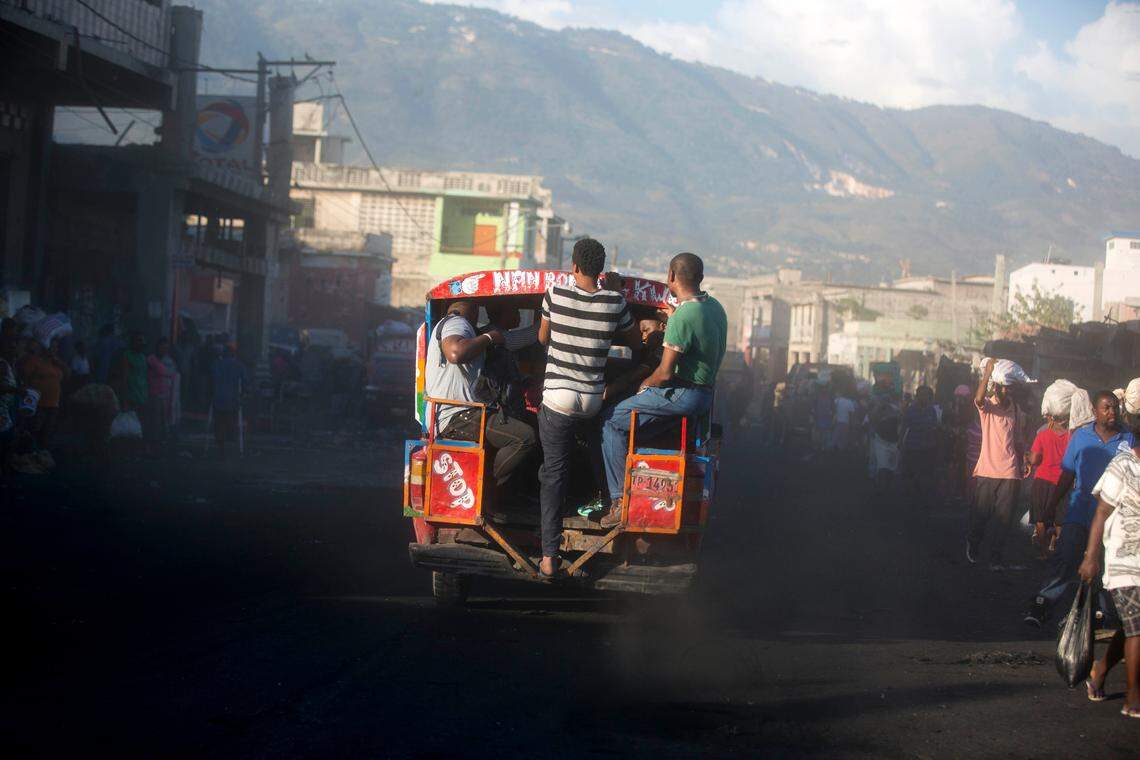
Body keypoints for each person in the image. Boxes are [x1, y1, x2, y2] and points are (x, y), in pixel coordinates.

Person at [599, 252, 727, 529]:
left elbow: (665, 373)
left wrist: (642, 386)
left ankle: (620, 500)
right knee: (638, 429)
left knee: (612, 421)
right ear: (700, 278)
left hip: (683, 392)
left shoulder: (682, 318)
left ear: (670, 276)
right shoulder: (714, 307)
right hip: (704, 394)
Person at [536, 238, 638, 575]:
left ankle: (550, 557)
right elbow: (635, 341)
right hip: (592, 398)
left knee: (554, 473)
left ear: (574, 266)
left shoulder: (555, 294)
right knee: (596, 443)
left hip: (558, 397)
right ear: (600, 269)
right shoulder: (614, 302)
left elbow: (542, 339)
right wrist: (616, 293)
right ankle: (607, 503)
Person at [1025, 390, 1134, 625]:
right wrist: (1051, 505)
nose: (1112, 412)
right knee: (1066, 558)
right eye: (1106, 407)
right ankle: (1043, 603)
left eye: (1114, 407)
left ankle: (1101, 613)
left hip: (1114, 518)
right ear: (1095, 412)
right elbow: (1067, 474)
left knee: (1106, 566)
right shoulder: (1081, 437)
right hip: (1079, 511)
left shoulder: (1129, 438)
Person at [424, 299, 537, 487]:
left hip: (455, 413)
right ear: (474, 308)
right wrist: (490, 338)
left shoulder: (465, 329)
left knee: (524, 427)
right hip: (456, 415)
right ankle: (487, 489)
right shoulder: (457, 323)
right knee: (525, 437)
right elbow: (456, 353)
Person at [1079, 378, 1140, 717]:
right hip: (1123, 561)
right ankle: (1133, 697)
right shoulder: (1123, 466)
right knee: (1138, 628)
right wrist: (1090, 558)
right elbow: (1101, 513)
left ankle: (1101, 670)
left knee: (1133, 627)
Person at [966, 359, 1025, 570]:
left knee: (1004, 520)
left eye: (1011, 389)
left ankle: (995, 557)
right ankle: (973, 544)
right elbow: (979, 398)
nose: (1008, 392)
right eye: (1005, 388)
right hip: (988, 470)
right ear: (997, 387)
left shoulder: (1016, 410)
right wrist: (988, 373)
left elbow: (1017, 439)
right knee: (982, 514)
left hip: (1010, 472)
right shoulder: (988, 406)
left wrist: (1023, 459)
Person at [1026, 412, 1070, 558]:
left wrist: (1029, 457)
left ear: (1051, 417)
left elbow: (1034, 460)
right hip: (1063, 482)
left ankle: (1043, 552)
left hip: (1043, 482)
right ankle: (1060, 551)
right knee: (1060, 520)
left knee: (1040, 519)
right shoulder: (1072, 437)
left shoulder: (1043, 435)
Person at [19, 337, 67, 452]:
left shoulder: (56, 362)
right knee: (33, 431)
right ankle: (28, 455)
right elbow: (24, 377)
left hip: (53, 404)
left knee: (47, 433)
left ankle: (40, 457)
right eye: (53, 346)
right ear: (46, 347)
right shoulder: (35, 360)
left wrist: (59, 362)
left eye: (56, 347)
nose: (55, 349)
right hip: (38, 404)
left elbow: (67, 374)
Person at [900, 385, 940, 503]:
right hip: (912, 448)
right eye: (922, 395)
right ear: (917, 396)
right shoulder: (910, 410)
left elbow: (934, 428)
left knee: (925, 476)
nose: (924, 397)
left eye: (927, 395)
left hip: (928, 449)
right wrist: (900, 443)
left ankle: (923, 501)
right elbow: (904, 427)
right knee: (911, 476)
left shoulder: (931, 410)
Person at [211, 345, 247, 457]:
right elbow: (245, 381)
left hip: (218, 398)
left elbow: (212, 378)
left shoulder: (217, 364)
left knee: (219, 423)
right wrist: (243, 394)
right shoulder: (239, 365)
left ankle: (221, 446)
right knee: (230, 422)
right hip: (232, 399)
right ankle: (230, 443)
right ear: (234, 354)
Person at [146, 337, 178, 451]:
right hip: (154, 394)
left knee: (162, 421)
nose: (164, 350)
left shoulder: (167, 360)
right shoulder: (151, 359)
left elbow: (172, 373)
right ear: (157, 347)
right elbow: (166, 372)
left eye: (166, 348)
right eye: (163, 347)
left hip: (165, 394)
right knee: (155, 421)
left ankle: (158, 444)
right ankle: (153, 445)